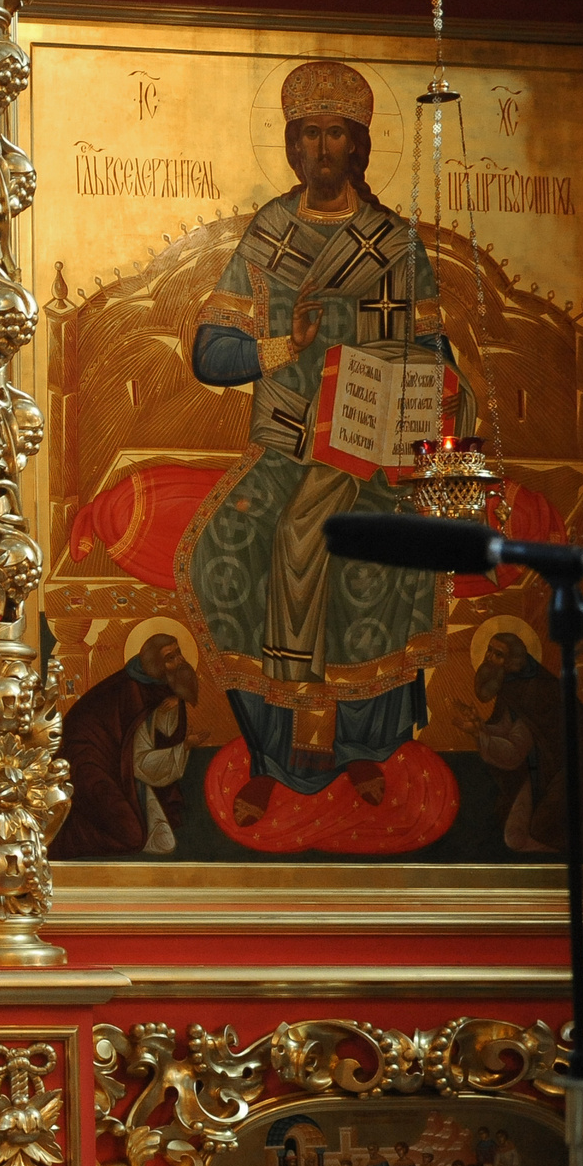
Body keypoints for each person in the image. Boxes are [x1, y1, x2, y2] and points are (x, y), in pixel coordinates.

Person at [187, 60, 453, 828]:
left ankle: (358, 744)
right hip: (281, 447)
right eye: (310, 133)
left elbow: (437, 357)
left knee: (347, 555)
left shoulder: (393, 244)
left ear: (359, 145)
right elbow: (208, 354)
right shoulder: (269, 235)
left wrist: (434, 400)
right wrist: (279, 348)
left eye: (339, 132)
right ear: (293, 145)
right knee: (220, 554)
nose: (324, 147)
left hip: (369, 450)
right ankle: (274, 752)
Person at [460, 628, 583, 862]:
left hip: (575, 766)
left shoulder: (533, 691)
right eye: (489, 650)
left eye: (498, 654)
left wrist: (479, 734)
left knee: (544, 830)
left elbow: (513, 751)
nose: (489, 658)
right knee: (515, 836)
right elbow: (508, 730)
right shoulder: (512, 683)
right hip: (542, 765)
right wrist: (480, 727)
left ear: (512, 661)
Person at [52, 631, 204, 857]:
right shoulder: (133, 692)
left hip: (118, 767)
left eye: (178, 653)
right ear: (155, 664)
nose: (180, 661)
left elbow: (158, 737)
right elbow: (142, 763)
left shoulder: (159, 686)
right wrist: (186, 746)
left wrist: (173, 706)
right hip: (86, 766)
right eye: (170, 657)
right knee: (131, 836)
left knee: (159, 840)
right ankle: (56, 839)